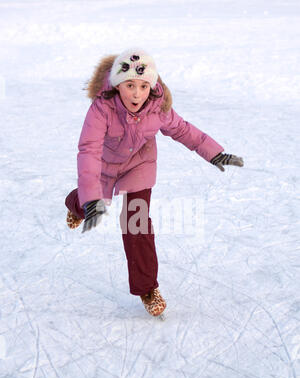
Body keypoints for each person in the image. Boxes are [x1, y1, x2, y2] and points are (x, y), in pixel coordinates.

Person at [65, 48, 244, 317]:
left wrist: (214, 152)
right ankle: (75, 204)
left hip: (138, 164)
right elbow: (89, 150)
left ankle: (147, 287)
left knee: (136, 224)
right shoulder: (102, 108)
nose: (137, 93)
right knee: (90, 202)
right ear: (117, 84)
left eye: (143, 86)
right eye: (129, 85)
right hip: (103, 166)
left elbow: (183, 130)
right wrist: (89, 199)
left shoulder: (157, 107)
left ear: (152, 85)